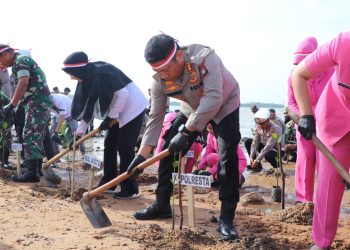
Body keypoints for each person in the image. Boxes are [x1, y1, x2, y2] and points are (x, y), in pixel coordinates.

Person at [126, 34, 241, 240]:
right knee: (167, 148)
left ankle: (226, 218)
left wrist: (187, 132)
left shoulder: (205, 58)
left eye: (166, 69)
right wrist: (142, 156)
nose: (163, 75)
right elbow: (155, 118)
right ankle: (161, 204)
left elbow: (214, 98)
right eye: (157, 71)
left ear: (179, 56)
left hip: (224, 104)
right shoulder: (159, 81)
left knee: (227, 156)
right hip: (192, 108)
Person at [292, 31, 350, 250]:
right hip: (334, 119)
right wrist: (306, 115)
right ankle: (322, 242)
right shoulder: (344, 43)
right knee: (329, 183)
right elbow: (299, 74)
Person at [62, 51, 148, 198]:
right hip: (117, 110)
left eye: (71, 73)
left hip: (133, 108)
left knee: (125, 148)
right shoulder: (87, 79)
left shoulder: (102, 73)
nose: (71, 77)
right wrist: (78, 135)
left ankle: (130, 189)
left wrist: (110, 118)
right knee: (109, 144)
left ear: (78, 70)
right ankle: (110, 182)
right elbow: (88, 107)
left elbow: (123, 94)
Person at [288, 37, 335, 204]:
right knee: (305, 159)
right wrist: (302, 118)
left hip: (326, 125)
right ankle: (303, 201)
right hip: (304, 126)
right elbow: (291, 102)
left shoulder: (332, 72)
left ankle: (324, 201)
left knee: (325, 163)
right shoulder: (294, 76)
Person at [0, 44, 53, 182]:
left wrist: (11, 105)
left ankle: (32, 173)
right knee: (35, 135)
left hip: (37, 102)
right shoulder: (20, 62)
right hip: (36, 102)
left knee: (29, 134)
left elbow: (23, 82)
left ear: (5, 54)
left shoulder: (21, 60)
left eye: (0, 61)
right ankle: (35, 171)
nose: (2, 65)